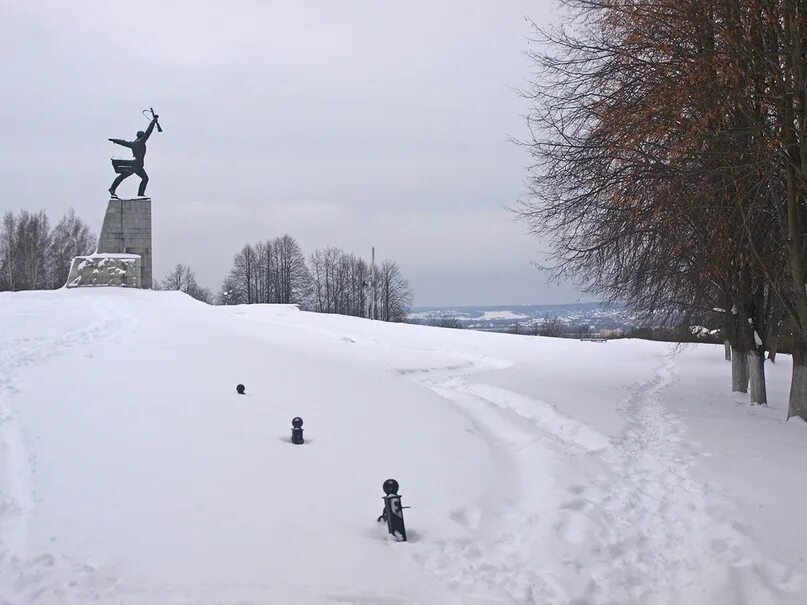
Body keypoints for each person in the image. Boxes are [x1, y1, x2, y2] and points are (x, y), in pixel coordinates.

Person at [108, 115, 159, 197]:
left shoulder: (133, 143)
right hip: (136, 165)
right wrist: (154, 120)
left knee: (126, 177)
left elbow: (123, 142)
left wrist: (114, 140)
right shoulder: (141, 142)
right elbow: (149, 130)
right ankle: (139, 194)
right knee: (143, 179)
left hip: (137, 165)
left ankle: (113, 189)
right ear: (142, 136)